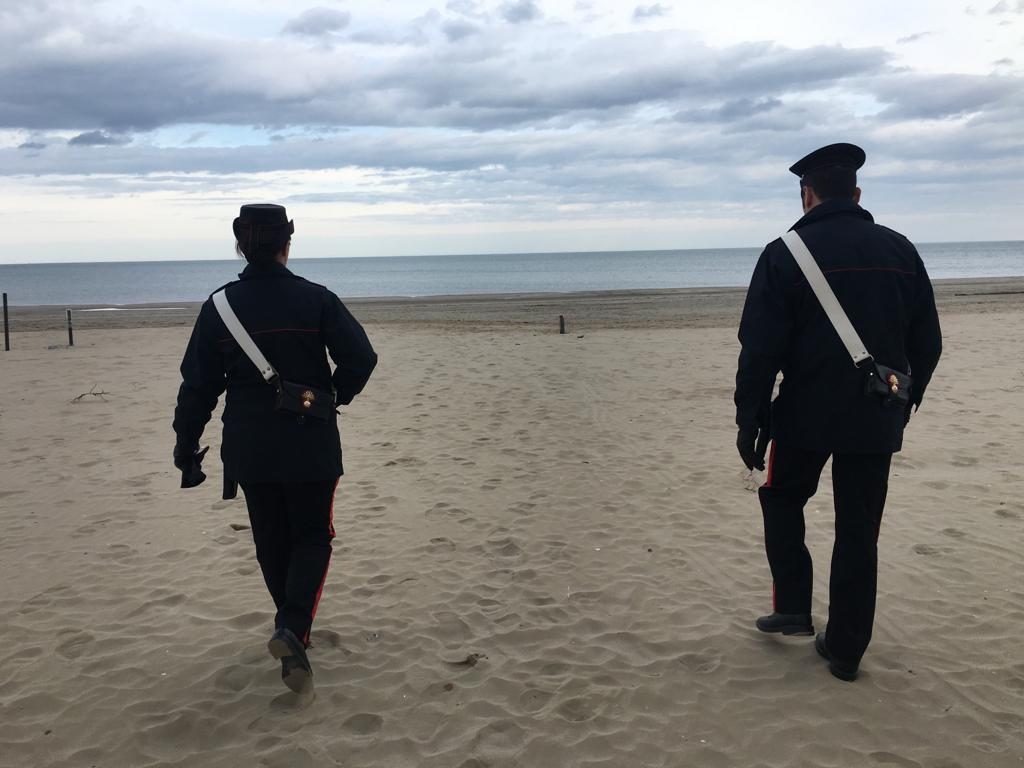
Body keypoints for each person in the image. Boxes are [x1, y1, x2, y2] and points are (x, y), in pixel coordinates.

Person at [734, 143, 942, 681]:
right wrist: (904, 401)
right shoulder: (900, 250)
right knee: (858, 529)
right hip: (876, 415)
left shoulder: (783, 253)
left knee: (781, 498)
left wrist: (749, 418)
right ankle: (847, 651)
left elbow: (759, 350)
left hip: (803, 414)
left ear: (807, 195)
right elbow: (929, 343)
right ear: (856, 193)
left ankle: (794, 609)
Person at [172, 204, 377, 693]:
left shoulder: (219, 306)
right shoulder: (315, 299)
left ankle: (290, 628)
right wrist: (332, 395)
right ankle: (292, 628)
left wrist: (185, 442)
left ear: (241, 244)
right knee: (312, 536)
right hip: (309, 440)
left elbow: (197, 385)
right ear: (288, 243)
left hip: (248, 445)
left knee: (271, 539)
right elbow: (362, 358)